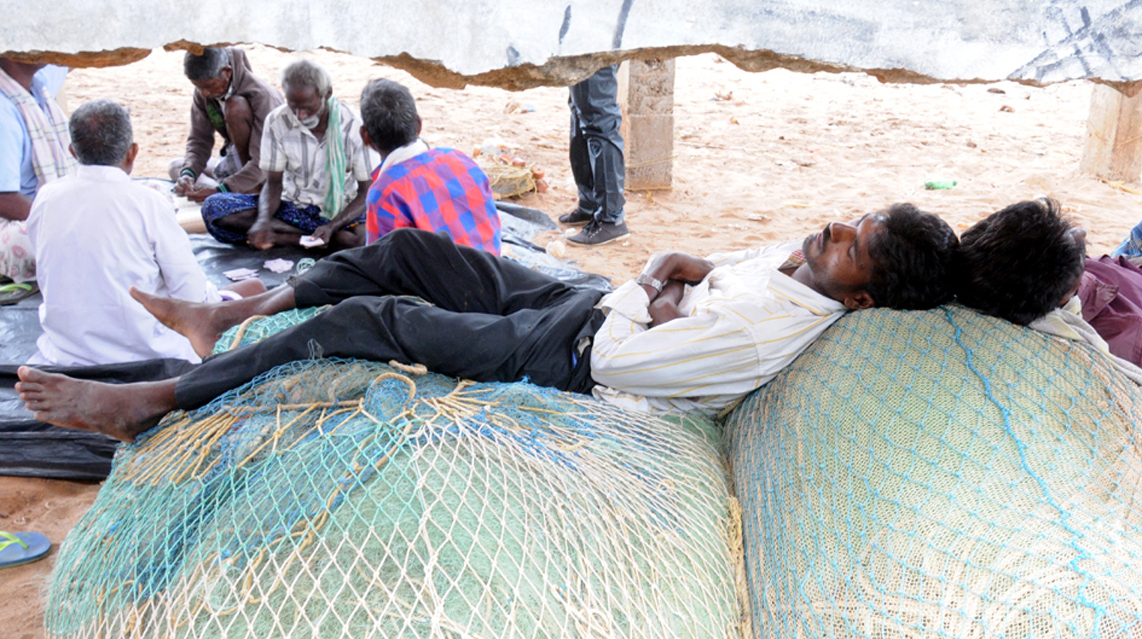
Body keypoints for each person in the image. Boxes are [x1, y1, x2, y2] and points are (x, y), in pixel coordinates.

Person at [16, 203, 958, 441]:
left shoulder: (761, 332)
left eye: (850, 246)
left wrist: (660, 284)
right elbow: (697, 271)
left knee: (370, 315)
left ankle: (156, 400)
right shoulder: (798, 270)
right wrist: (675, 276)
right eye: (852, 220)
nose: (833, 232)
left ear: (862, 296)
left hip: (579, 352)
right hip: (595, 304)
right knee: (416, 249)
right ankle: (231, 310)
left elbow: (631, 363)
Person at [29, 100, 265, 366]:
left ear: (72, 152)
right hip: (148, 353)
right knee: (253, 288)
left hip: (65, 353)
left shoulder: (46, 197)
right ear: (133, 153)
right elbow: (193, 296)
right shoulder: (146, 202)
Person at [955, 197, 1142, 421]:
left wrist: (1132, 264)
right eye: (1070, 243)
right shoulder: (1138, 336)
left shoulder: (1031, 281)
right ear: (1068, 291)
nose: (1080, 232)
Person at [199, 58, 373, 251]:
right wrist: (264, 220)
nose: (299, 116)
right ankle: (306, 239)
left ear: (327, 94)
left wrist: (332, 226)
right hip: (293, 208)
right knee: (214, 208)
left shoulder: (352, 126)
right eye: (293, 106)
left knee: (362, 240)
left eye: (308, 107)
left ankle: (292, 237)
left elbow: (366, 191)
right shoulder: (277, 121)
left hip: (341, 211)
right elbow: (273, 183)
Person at [358, 78, 501, 253]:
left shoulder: (384, 193)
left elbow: (380, 267)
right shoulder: (460, 160)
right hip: (494, 273)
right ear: (418, 125)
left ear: (365, 136)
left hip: (442, 279)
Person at [170, 47, 283, 203]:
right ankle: (229, 192)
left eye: (208, 86)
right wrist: (188, 176)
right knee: (177, 167)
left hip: (266, 173)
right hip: (235, 165)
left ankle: (243, 191)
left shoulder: (263, 97)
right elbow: (199, 141)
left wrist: (222, 189)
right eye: (198, 87)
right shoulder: (205, 92)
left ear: (227, 72)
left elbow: (265, 162)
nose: (204, 93)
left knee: (235, 107)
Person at [0, 58, 74, 282]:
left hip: (45, 209)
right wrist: (61, 218)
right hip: (14, 219)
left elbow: (70, 55)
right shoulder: (3, 113)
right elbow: (4, 198)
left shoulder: (35, 84)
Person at [558, 66, 629, 247]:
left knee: (599, 118)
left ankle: (610, 220)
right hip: (584, 42)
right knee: (581, 111)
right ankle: (590, 205)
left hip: (595, 41)